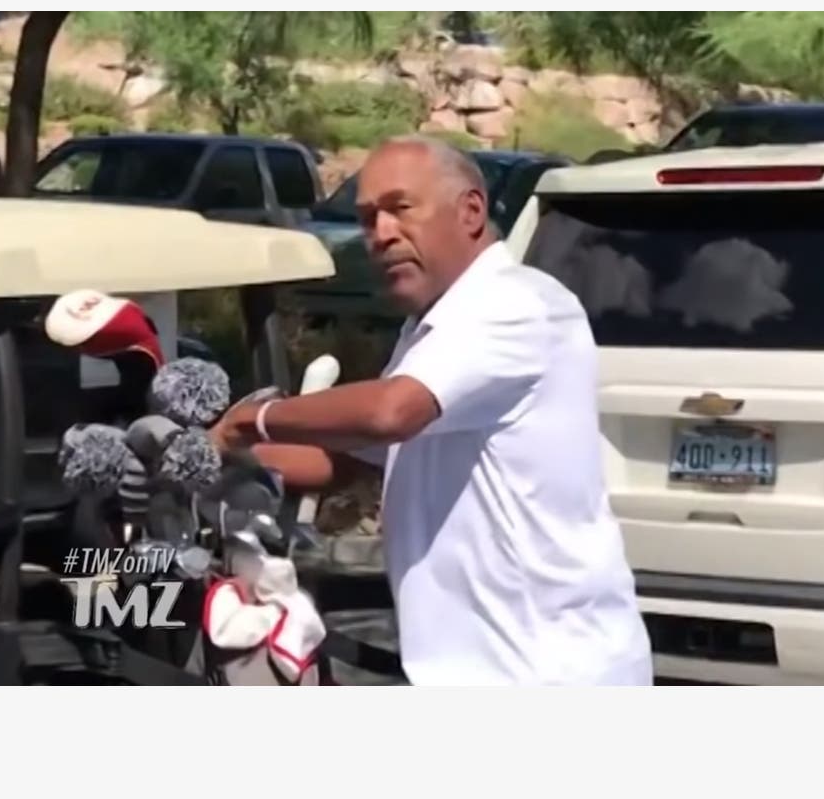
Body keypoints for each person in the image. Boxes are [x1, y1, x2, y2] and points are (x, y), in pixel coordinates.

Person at [211, 135, 653, 686]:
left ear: (470, 211)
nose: (381, 233)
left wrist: (254, 418)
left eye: (400, 208)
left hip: (544, 671)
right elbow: (349, 458)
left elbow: (390, 413)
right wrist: (212, 456)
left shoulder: (516, 303)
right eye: (368, 219)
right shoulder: (432, 326)